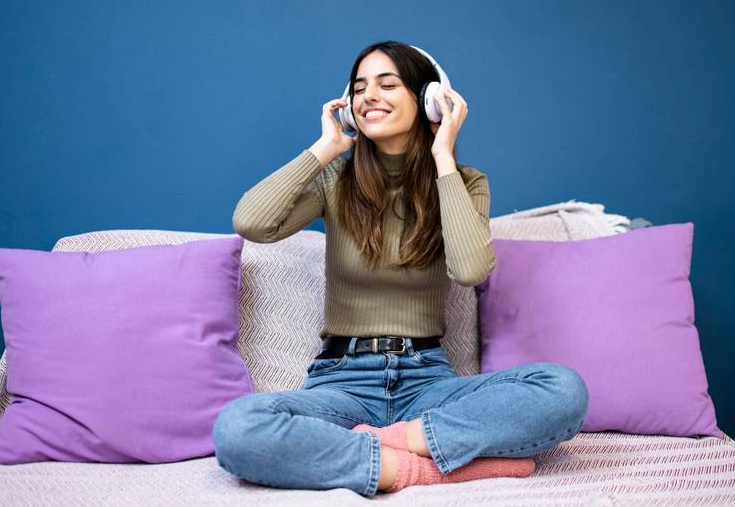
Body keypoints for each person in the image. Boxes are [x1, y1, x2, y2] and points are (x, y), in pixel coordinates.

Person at [212, 40, 589, 497]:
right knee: (238, 427)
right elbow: (251, 222)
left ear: (429, 99)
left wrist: (443, 156)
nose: (369, 95)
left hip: (426, 385)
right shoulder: (337, 180)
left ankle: (387, 449)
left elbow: (470, 269)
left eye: (387, 84)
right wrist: (327, 147)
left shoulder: (465, 183)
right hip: (341, 384)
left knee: (562, 390)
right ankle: (422, 468)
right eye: (359, 88)